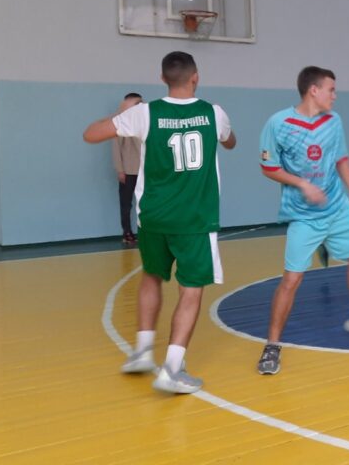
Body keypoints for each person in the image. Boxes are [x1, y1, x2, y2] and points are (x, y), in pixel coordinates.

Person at [83, 51, 236, 394]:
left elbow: (90, 134)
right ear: (196, 77)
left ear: (162, 78)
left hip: (153, 217)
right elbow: (230, 141)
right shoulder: (214, 113)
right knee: (190, 290)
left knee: (151, 276)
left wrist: (125, 115)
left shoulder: (145, 113)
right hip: (195, 220)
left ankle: (141, 352)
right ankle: (172, 369)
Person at [256, 66, 349, 376]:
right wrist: (302, 184)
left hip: (337, 207)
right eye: (331, 89)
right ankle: (272, 345)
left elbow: (341, 158)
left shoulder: (334, 120)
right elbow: (268, 167)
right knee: (292, 279)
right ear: (313, 90)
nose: (335, 95)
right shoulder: (279, 123)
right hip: (303, 215)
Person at [113, 92, 143, 246]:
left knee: (145, 204)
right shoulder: (120, 121)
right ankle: (127, 233)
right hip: (128, 170)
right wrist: (120, 170)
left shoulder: (144, 121)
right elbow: (116, 148)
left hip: (144, 170)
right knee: (126, 204)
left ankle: (145, 232)